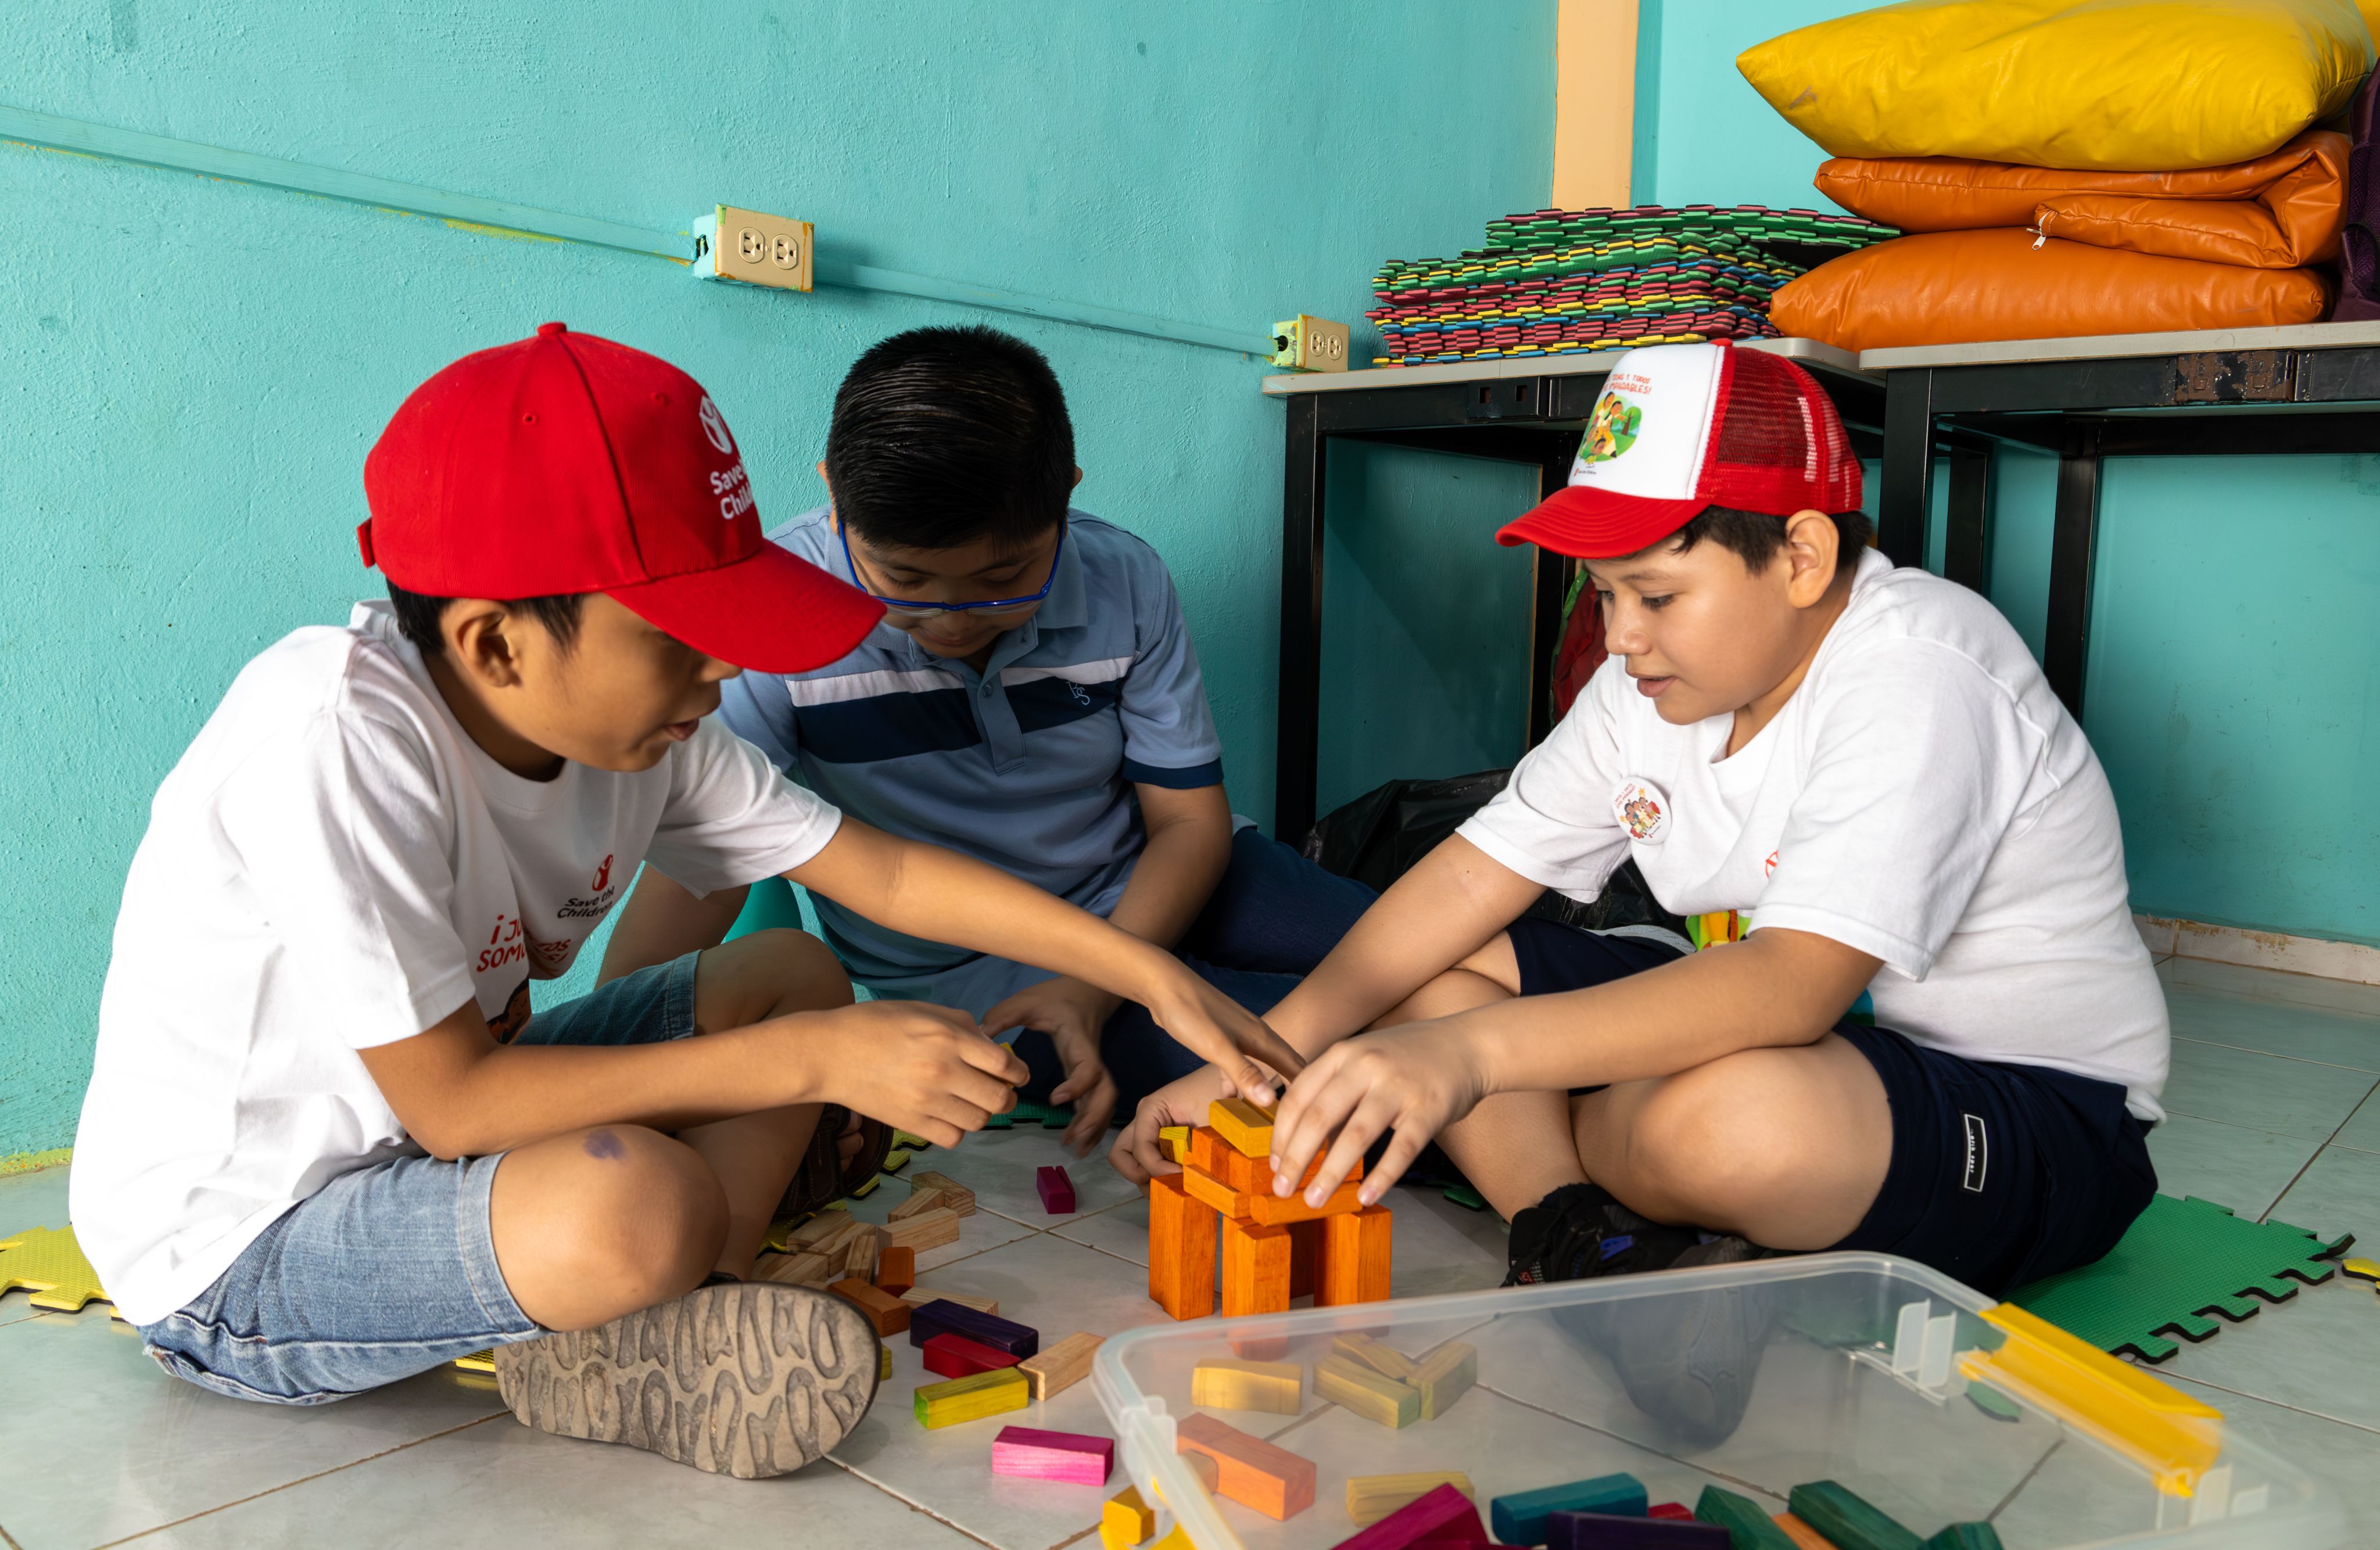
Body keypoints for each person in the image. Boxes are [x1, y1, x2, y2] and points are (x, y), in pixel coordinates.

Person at [69, 324, 1297, 1479]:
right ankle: (650, 1257)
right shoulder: (334, 734)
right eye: (684, 635)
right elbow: (454, 1105)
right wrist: (813, 1062)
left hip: (430, 1142)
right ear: (499, 646)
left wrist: (1145, 971)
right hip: (249, 1244)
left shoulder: (654, 728)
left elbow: (886, 873)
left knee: (793, 976)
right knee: (642, 1187)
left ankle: (678, 1312)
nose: (724, 670)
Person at [1118, 340, 2168, 1311]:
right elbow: (1469, 878)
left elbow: (1791, 984)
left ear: (1802, 556)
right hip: (1826, 1049)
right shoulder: (1649, 685)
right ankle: (1572, 1231)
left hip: (2037, 1109)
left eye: (1656, 594)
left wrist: (1471, 1064)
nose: (1619, 637)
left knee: (1722, 1122)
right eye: (1602, 594)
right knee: (1436, 976)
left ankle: (1560, 1159)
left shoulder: (1921, 668)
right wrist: (1255, 1061)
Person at [601, 325, 1375, 1154]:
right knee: (1342, 1060)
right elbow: (711, 864)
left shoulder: (1127, 577)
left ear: (1065, 499)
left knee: (1447, 965)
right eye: (904, 580)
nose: (954, 616)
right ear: (835, 498)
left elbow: (1189, 825)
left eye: (1004, 580)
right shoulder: (777, 622)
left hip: (1166, 883)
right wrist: (602, 1051)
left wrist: (1107, 976)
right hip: (990, 978)